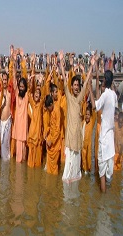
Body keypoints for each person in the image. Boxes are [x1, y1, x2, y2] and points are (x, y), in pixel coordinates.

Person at [59, 50, 95, 183]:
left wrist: (91, 66)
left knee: (76, 162)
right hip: (69, 136)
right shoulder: (69, 97)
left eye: (77, 85)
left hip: (77, 136)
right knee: (68, 163)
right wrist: (62, 62)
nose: (75, 87)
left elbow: (86, 84)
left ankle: (75, 179)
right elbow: (64, 78)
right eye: (74, 85)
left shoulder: (80, 98)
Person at [89, 70, 117, 193]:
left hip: (104, 137)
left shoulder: (106, 95)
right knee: (108, 173)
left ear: (105, 80)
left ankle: (102, 201)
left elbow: (95, 106)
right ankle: (107, 200)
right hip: (111, 138)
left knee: (101, 173)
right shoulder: (114, 95)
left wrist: (90, 88)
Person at [44, 94, 61, 174]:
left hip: (56, 142)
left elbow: (57, 130)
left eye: (48, 108)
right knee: (49, 165)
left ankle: (54, 181)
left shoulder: (57, 111)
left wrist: (52, 141)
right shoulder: (50, 111)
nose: (48, 110)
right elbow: (50, 125)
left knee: (54, 166)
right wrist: (46, 132)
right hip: (50, 138)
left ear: (51, 104)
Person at [81, 104, 96, 174]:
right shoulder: (83, 123)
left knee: (88, 160)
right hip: (83, 146)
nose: (87, 116)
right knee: (83, 160)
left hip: (89, 146)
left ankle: (89, 172)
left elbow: (94, 112)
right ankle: (84, 171)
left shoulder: (91, 122)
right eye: (86, 114)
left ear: (91, 116)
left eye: (88, 114)